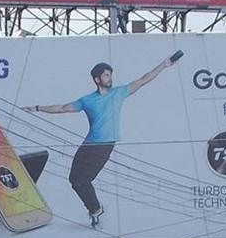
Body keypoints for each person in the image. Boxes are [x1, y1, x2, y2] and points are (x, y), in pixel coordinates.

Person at [27, 54, 180, 227]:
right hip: (88, 144)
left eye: (110, 75)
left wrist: (164, 65)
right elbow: (62, 108)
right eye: (106, 75)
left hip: (104, 146)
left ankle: (96, 209)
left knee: (83, 180)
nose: (110, 78)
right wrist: (37, 108)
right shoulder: (87, 100)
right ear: (97, 79)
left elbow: (143, 80)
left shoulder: (118, 93)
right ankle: (94, 208)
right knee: (73, 180)